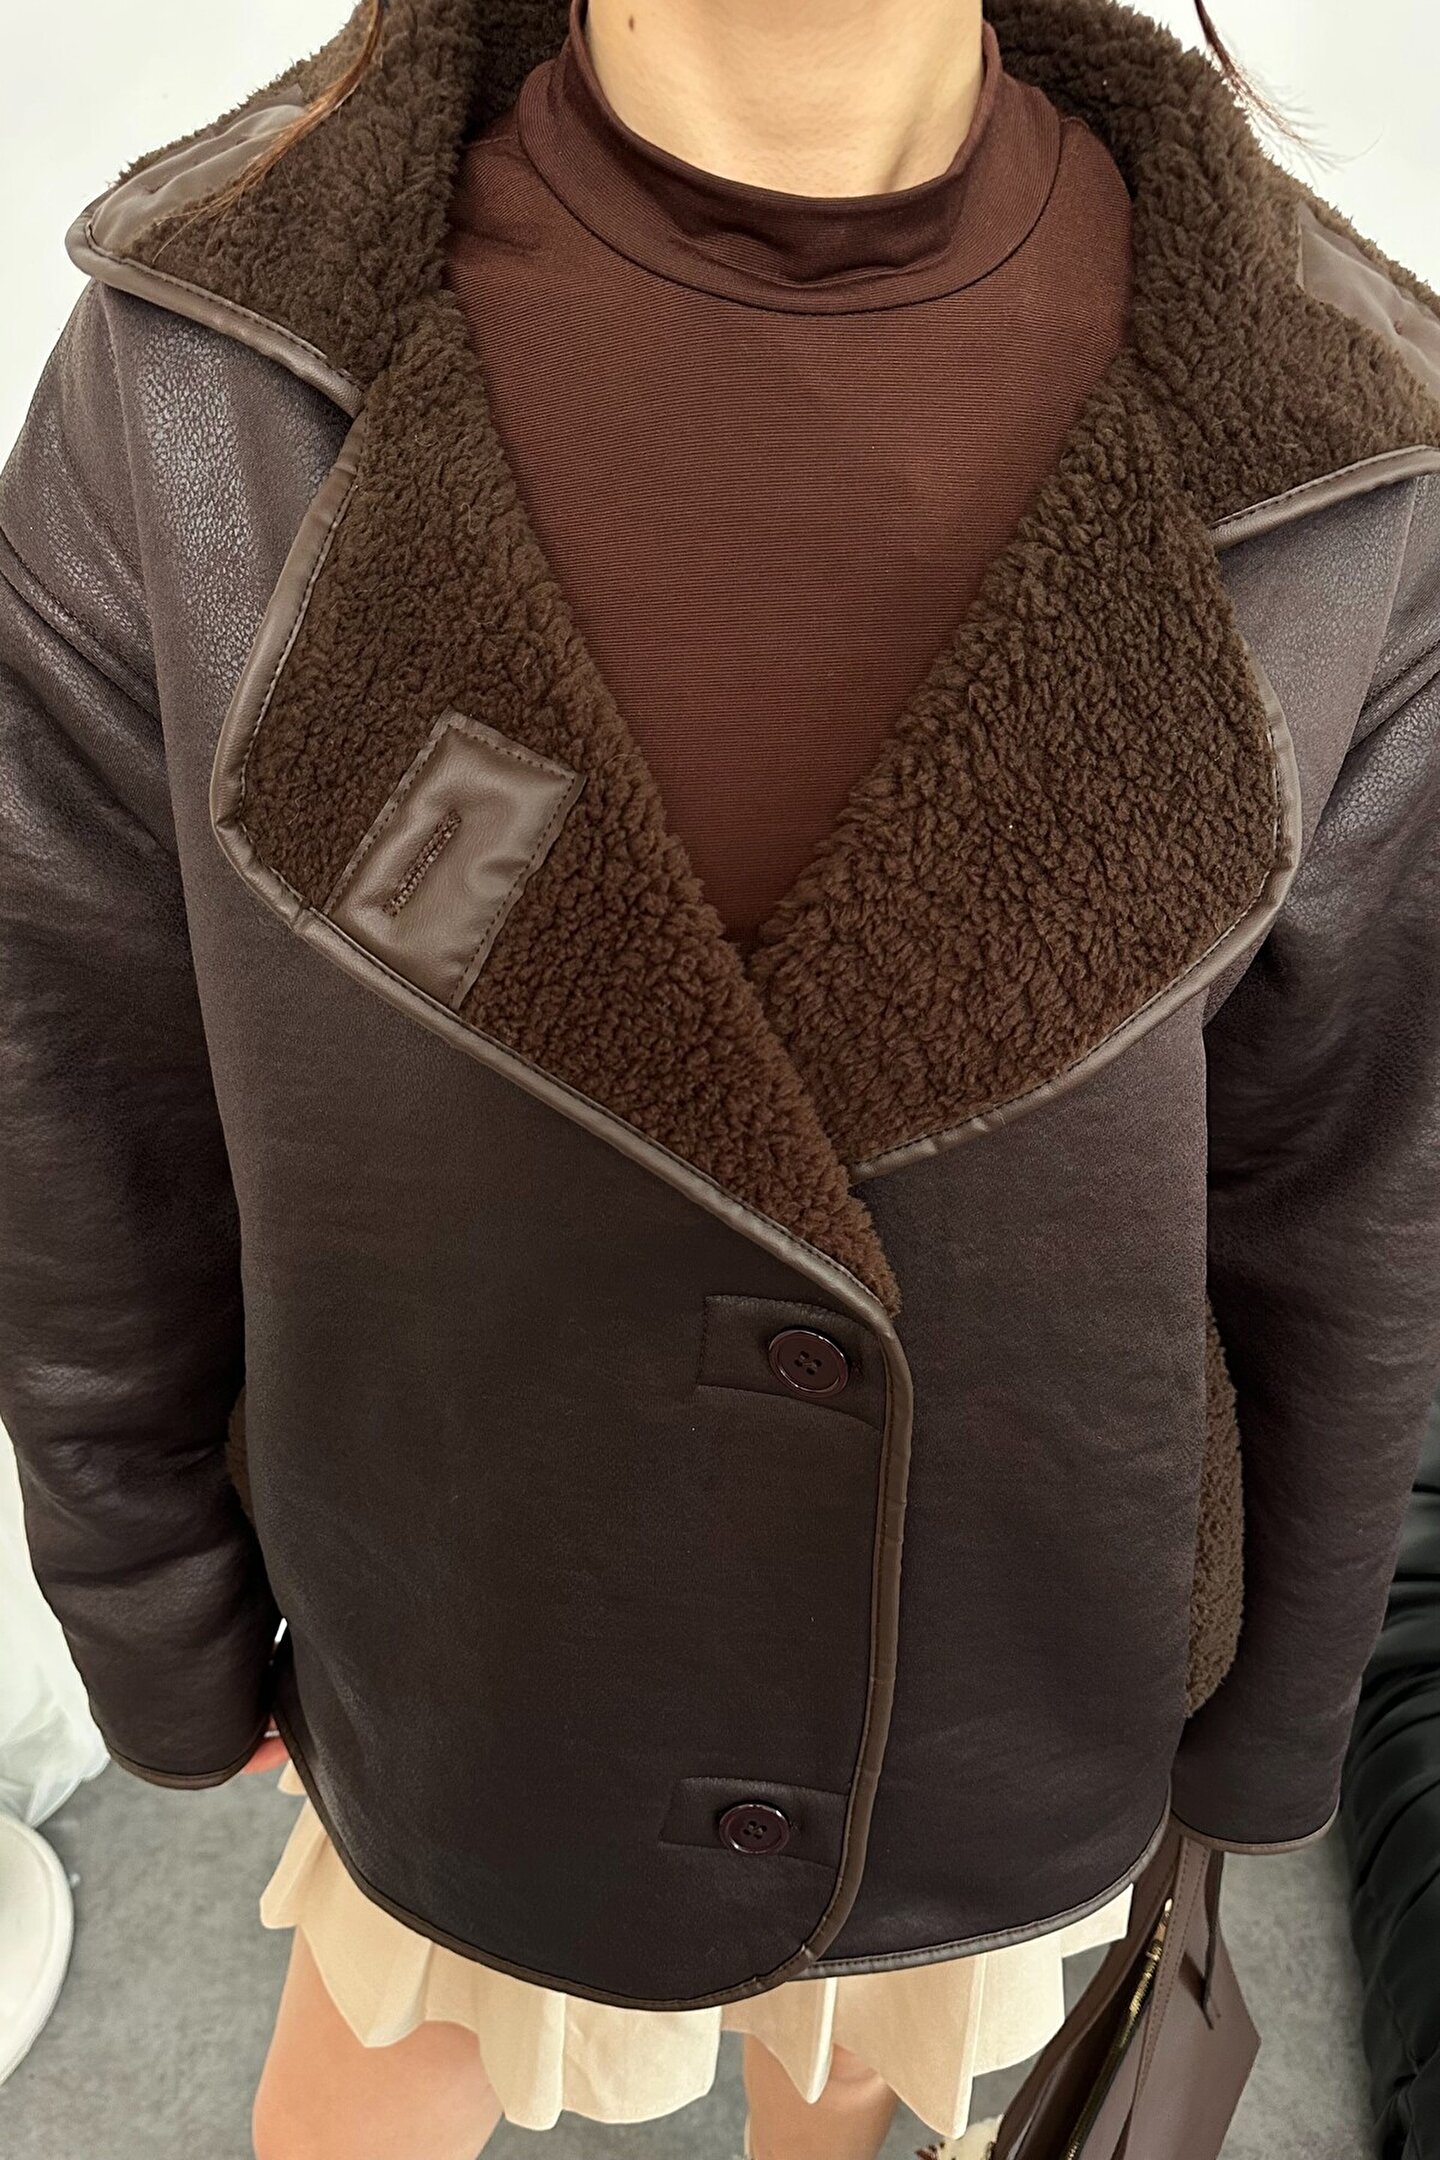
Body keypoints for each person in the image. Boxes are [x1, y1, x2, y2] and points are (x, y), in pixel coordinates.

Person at [2, 2, 1438, 2157]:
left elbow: (1347, 1188)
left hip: (994, 1657)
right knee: (371, 2076)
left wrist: (1274, 1727)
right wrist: (160, 1628)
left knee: (850, 2084)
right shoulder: (206, 372)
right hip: (476, 1627)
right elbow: (84, 1106)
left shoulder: (1342, 447)